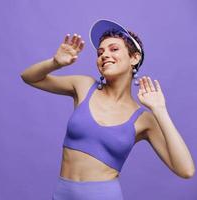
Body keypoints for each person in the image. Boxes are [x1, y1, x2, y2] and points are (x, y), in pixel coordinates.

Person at [20, 19, 195, 200]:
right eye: (100, 52)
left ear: (134, 58)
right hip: (62, 193)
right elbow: (29, 77)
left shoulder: (143, 119)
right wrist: (55, 63)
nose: (104, 55)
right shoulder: (84, 86)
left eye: (114, 49)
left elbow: (186, 170)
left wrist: (160, 110)